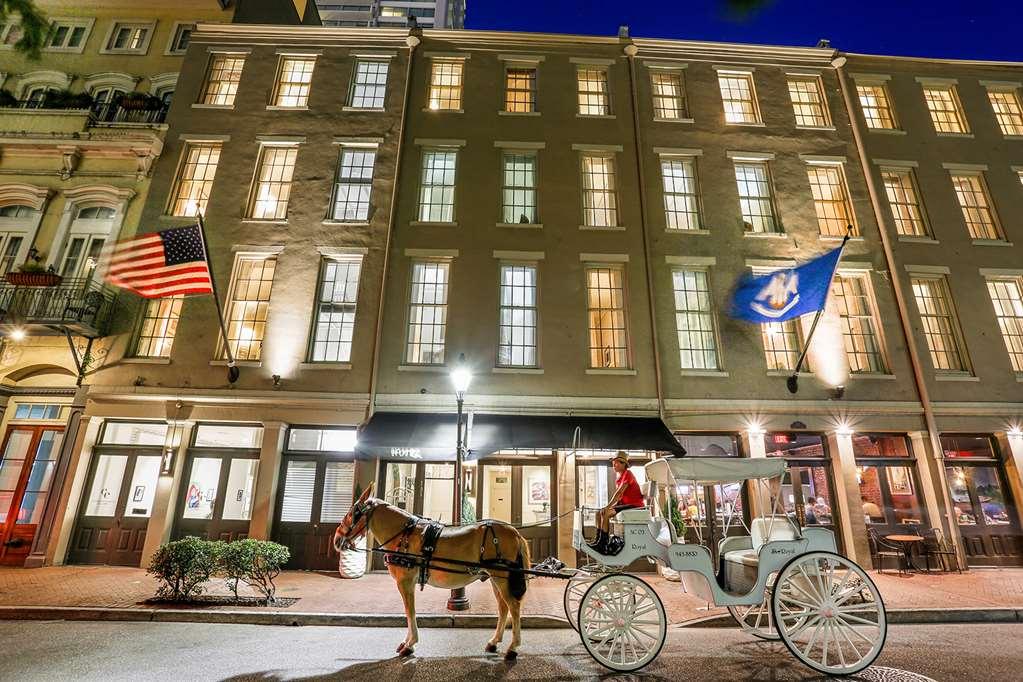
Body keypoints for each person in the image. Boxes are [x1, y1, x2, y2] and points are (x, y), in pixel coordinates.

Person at [588, 451, 645, 554]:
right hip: (624, 504)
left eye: (617, 462)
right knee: (598, 513)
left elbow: (619, 493)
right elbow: (620, 499)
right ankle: (598, 540)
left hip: (634, 505)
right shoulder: (619, 478)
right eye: (613, 462)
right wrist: (608, 507)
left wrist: (608, 507)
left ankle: (603, 544)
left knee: (606, 514)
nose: (614, 465)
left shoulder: (628, 474)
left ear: (624, 464)